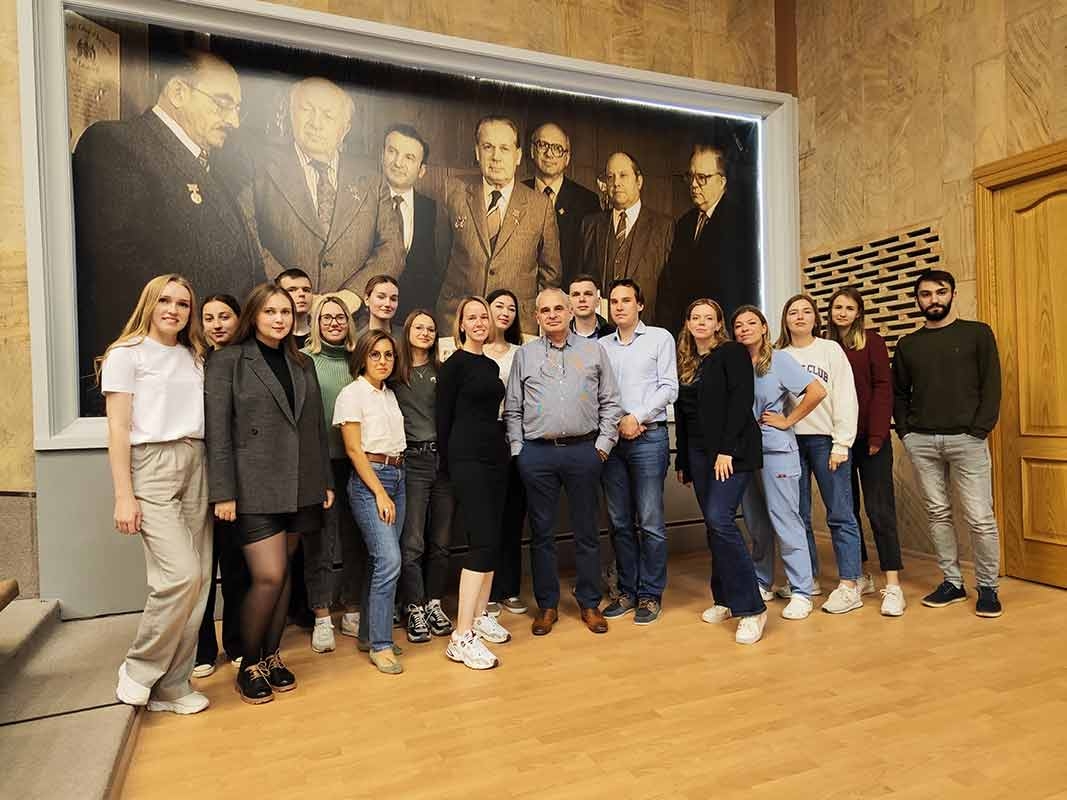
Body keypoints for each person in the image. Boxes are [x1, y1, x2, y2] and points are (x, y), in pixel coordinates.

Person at [73, 51, 261, 414]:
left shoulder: (214, 167)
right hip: (160, 384)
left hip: (214, 373)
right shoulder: (117, 144)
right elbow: (118, 266)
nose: (233, 120)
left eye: (237, 109)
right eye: (223, 104)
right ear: (178, 92)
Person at [205, 283, 335, 704]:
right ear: (254, 315)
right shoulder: (228, 360)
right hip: (253, 486)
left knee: (285, 576)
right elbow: (218, 433)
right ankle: (249, 663)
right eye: (270, 312)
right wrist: (223, 493)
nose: (280, 319)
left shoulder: (302, 362)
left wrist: (325, 481)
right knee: (269, 576)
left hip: (301, 484)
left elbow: (315, 427)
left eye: (286, 312)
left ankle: (272, 656)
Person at [103, 275, 212, 715]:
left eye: (183, 304)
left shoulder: (194, 355)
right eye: (165, 300)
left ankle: (173, 685)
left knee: (198, 581)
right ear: (149, 303)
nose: (173, 309)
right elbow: (117, 428)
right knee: (179, 575)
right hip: (151, 463)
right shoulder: (125, 354)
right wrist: (123, 495)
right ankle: (139, 667)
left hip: (197, 460)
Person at [504, 288, 624, 636]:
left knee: (587, 532)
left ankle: (589, 603)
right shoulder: (525, 355)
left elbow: (611, 402)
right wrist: (519, 451)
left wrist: (602, 447)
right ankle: (547, 606)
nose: (553, 315)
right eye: (546, 310)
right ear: (537, 317)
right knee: (541, 534)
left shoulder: (593, 351)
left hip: (583, 451)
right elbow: (513, 407)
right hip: (537, 454)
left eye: (559, 308)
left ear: (571, 311)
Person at [893, 269, 1003, 618]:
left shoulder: (977, 334)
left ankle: (988, 587)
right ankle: (952, 583)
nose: (933, 299)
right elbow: (899, 393)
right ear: (917, 300)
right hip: (922, 441)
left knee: (980, 517)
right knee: (938, 513)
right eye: (926, 294)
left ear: (953, 294)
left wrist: (979, 430)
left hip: (967, 440)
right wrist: (906, 433)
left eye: (940, 292)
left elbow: (992, 385)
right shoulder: (909, 344)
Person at [248, 77, 403, 292]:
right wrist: (289, 290)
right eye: (306, 110)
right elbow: (248, 238)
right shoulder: (259, 169)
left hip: (351, 311)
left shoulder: (372, 180)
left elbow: (392, 250)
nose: (316, 123)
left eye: (328, 116)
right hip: (280, 307)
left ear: (345, 128)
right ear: (291, 113)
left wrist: (351, 295)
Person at [673, 299, 767, 644]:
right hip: (698, 454)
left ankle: (752, 608)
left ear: (718, 324)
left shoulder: (732, 353)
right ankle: (724, 598)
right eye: (695, 317)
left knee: (720, 519)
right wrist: (683, 461)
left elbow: (742, 401)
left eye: (708, 318)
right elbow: (683, 415)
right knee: (714, 526)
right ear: (688, 323)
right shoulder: (686, 361)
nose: (701, 322)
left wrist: (726, 450)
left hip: (732, 451)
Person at [732, 305, 826, 621]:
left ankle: (801, 591)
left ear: (764, 328)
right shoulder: (736, 364)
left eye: (751, 323)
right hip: (746, 454)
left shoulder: (779, 360)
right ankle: (762, 582)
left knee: (785, 519)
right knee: (757, 523)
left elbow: (816, 391)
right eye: (738, 325)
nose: (744, 329)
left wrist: (788, 420)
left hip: (776, 451)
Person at [775, 294, 864, 614]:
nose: (799, 317)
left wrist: (842, 443)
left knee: (840, 513)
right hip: (790, 443)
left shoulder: (830, 350)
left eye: (806, 312)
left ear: (816, 318)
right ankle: (807, 578)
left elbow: (846, 397)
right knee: (798, 515)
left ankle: (850, 584)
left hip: (826, 441)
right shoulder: (778, 355)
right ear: (785, 319)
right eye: (793, 312)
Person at [437, 297, 512, 669]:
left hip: (496, 457)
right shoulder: (453, 365)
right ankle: (461, 636)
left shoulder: (491, 364)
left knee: (493, 540)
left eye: (485, 316)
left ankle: (480, 617)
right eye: (473, 317)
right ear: (461, 324)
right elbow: (443, 420)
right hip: (467, 460)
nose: (480, 322)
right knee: (481, 542)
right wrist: (449, 467)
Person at [598, 279, 678, 625]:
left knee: (650, 521)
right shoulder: (601, 346)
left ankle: (650, 594)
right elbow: (598, 391)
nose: (619, 306)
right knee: (619, 522)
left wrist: (637, 417)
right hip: (612, 441)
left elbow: (669, 387)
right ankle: (627, 591)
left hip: (649, 437)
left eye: (626, 300)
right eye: (614, 301)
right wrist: (619, 421)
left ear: (640, 305)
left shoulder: (660, 338)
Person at [436, 115, 562, 333]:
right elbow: (440, 257)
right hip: (458, 322)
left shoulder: (540, 206)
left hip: (516, 327)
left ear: (518, 156)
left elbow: (551, 275)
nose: (496, 157)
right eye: (488, 147)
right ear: (477, 152)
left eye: (504, 148)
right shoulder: (453, 192)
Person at [333, 330, 408, 673]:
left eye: (388, 355)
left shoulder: (389, 394)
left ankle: (368, 634)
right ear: (362, 358)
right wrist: (379, 492)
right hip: (370, 482)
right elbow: (353, 449)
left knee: (380, 562)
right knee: (389, 560)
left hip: (399, 476)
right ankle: (381, 645)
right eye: (375, 354)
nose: (383, 361)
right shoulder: (352, 394)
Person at [827, 287, 905, 616]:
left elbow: (883, 388)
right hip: (838, 441)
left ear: (858, 312)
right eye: (837, 307)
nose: (842, 312)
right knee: (847, 511)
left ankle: (893, 584)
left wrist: (877, 434)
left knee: (879, 509)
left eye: (849, 308)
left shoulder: (871, 341)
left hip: (871, 439)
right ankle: (859, 576)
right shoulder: (826, 346)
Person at [300, 295, 363, 653]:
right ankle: (322, 616)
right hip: (319, 465)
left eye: (340, 317)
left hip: (357, 463)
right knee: (320, 543)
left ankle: (352, 609)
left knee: (356, 539)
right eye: (327, 317)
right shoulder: (304, 360)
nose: (335, 323)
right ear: (316, 323)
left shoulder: (359, 359)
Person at [193, 294, 249, 677]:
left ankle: (237, 643)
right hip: (196, 476)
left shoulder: (247, 360)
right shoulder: (195, 360)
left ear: (239, 319)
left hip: (234, 479)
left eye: (224, 316)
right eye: (209, 318)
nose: (217, 324)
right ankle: (202, 650)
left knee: (235, 569)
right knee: (201, 571)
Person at [393, 310, 455, 643]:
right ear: (408, 331)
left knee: (441, 541)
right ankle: (413, 605)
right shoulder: (395, 372)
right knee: (413, 541)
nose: (426, 333)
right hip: (412, 461)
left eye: (431, 328)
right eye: (419, 327)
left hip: (442, 462)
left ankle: (434, 603)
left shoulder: (442, 372)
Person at [655, 145, 757, 333]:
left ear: (722, 181)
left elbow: (744, 287)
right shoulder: (685, 223)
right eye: (691, 177)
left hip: (723, 331)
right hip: (688, 333)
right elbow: (672, 284)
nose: (694, 184)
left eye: (702, 178)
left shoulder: (742, 221)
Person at [580, 152, 673, 325]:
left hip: (646, 332)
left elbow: (668, 293)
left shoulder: (663, 227)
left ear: (639, 181)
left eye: (623, 175)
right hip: (601, 333)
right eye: (610, 177)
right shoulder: (590, 224)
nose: (616, 183)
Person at [483, 289, 528, 617]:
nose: (505, 312)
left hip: (516, 436)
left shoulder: (521, 353)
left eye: (511, 308)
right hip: (484, 438)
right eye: (499, 306)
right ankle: (487, 591)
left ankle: (510, 588)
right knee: (488, 518)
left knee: (514, 516)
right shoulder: (473, 350)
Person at [522, 122, 601, 287]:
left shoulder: (587, 201)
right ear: (532, 150)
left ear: (567, 158)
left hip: (568, 296)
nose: (549, 153)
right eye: (543, 145)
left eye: (557, 148)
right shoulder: (516, 193)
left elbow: (591, 264)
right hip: (521, 295)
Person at [382, 124, 442, 319]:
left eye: (409, 157)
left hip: (412, 321)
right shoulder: (362, 202)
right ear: (382, 155)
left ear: (421, 170)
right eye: (392, 151)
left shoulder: (432, 210)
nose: (398, 163)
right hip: (366, 319)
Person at [568, 274, 615, 339]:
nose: (582, 299)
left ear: (598, 301)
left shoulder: (615, 334)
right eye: (576, 294)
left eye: (588, 294)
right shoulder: (558, 336)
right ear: (569, 303)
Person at [277, 269, 314, 348]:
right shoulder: (272, 338)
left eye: (306, 290)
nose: (301, 294)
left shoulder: (322, 336)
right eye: (291, 290)